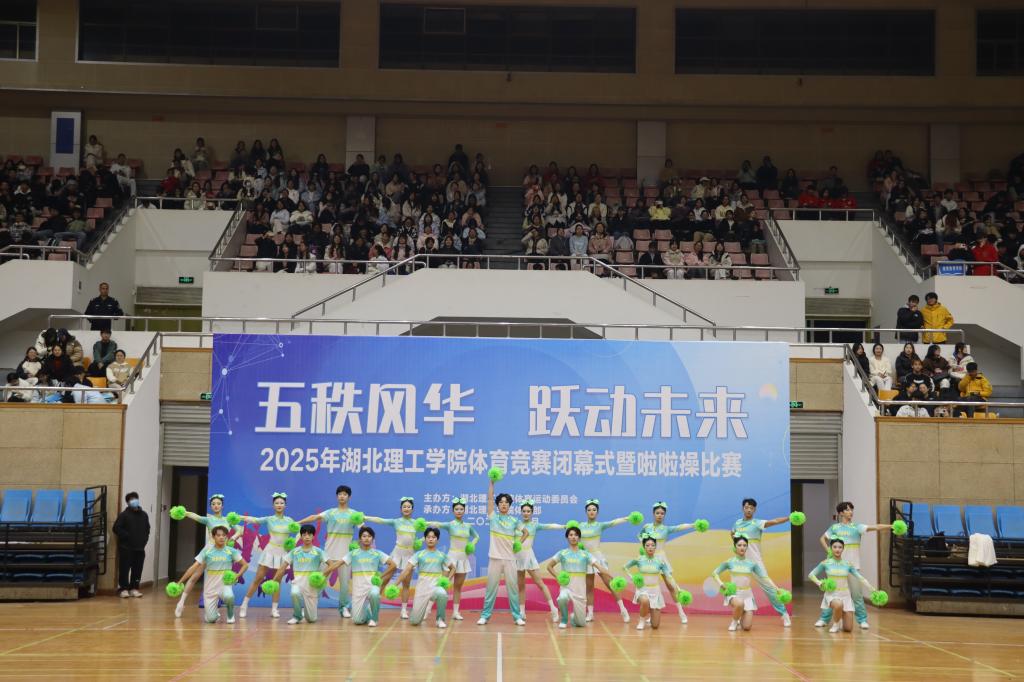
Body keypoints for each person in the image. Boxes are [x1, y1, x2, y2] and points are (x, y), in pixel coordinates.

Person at [815, 502, 894, 630]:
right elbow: (822, 538)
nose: (850, 512)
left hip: (852, 567)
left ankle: (862, 620)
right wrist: (829, 551)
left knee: (857, 595)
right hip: (835, 567)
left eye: (851, 509)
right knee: (831, 594)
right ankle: (824, 619)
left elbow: (875, 527)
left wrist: (891, 526)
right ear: (841, 513)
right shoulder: (834, 528)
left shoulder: (857, 527)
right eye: (847, 510)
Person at [295, 485, 361, 618]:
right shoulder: (330, 513)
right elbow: (314, 517)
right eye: (340, 494)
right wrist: (299, 522)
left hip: (345, 556)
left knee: (344, 584)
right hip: (328, 554)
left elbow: (364, 529)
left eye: (345, 494)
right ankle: (309, 606)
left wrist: (358, 545)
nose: (342, 496)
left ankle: (344, 608)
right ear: (337, 496)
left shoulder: (354, 514)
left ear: (349, 497)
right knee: (319, 581)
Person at [173, 494, 243, 618]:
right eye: (213, 504)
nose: (216, 506)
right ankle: (181, 602)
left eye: (218, 504)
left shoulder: (228, 520)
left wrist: (233, 538)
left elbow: (240, 530)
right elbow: (195, 516)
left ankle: (215, 608)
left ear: (222, 506)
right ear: (211, 506)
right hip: (209, 551)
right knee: (195, 576)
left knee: (219, 580)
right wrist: (184, 512)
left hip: (223, 552)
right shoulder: (208, 519)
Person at [731, 498, 792, 627]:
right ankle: (737, 619)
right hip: (741, 563)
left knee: (770, 588)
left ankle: (784, 614)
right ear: (742, 508)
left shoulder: (757, 523)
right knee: (739, 590)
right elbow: (732, 534)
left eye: (751, 508)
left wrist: (788, 518)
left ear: (754, 510)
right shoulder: (737, 523)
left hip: (755, 562)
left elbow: (774, 521)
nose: (749, 510)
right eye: (746, 507)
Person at [173, 526, 249, 624]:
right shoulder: (207, 551)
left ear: (226, 537)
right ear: (213, 537)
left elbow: (245, 565)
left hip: (224, 585)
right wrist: (180, 582)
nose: (221, 537)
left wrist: (237, 575)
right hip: (210, 588)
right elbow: (193, 567)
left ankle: (230, 615)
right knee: (211, 620)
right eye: (218, 535)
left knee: (229, 596)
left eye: (224, 535)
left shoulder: (231, 551)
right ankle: (213, 614)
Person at [238, 493, 296, 618]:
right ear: (273, 505)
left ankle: (274, 609)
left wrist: (292, 543)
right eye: (277, 503)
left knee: (277, 582)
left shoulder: (290, 521)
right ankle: (244, 605)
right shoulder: (269, 519)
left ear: (285, 505)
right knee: (258, 579)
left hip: (283, 554)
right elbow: (254, 520)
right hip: (269, 552)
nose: (279, 505)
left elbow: (298, 531)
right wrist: (239, 517)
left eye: (281, 503)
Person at [478, 475, 526, 626]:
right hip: (495, 558)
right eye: (501, 502)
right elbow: (489, 499)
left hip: (510, 559)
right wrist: (492, 483)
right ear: (498, 505)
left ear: (509, 505)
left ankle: (517, 617)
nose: (503, 504)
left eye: (506, 502)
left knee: (513, 589)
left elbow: (526, 533)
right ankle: (485, 616)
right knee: (491, 589)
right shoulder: (493, 517)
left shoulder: (514, 521)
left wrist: (518, 543)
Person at [545, 526, 615, 629]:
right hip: (566, 587)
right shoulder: (562, 553)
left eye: (576, 535)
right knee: (562, 598)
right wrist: (557, 577)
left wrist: (612, 577)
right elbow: (549, 566)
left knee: (581, 624)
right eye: (571, 535)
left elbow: (599, 567)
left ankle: (575, 617)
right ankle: (564, 619)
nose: (573, 537)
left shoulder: (586, 555)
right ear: (567, 537)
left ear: (579, 538)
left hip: (580, 590)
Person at [712, 535, 785, 632]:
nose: (742, 547)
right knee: (739, 603)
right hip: (734, 594)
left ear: (747, 547)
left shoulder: (752, 564)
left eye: (744, 545)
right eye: (739, 545)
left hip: (747, 595)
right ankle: (734, 622)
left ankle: (740, 614)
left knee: (747, 627)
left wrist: (776, 588)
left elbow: (765, 577)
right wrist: (721, 584)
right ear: (735, 547)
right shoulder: (729, 562)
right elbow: (714, 573)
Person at [271, 524, 340, 625]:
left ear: (313, 536)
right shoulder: (295, 552)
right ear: (301, 536)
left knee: (311, 619)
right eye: (304, 535)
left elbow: (332, 565)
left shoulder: (318, 552)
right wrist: (273, 582)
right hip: (297, 583)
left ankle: (307, 613)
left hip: (312, 586)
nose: (307, 537)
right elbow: (282, 567)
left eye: (309, 534)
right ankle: (297, 616)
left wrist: (322, 575)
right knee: (294, 593)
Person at [638, 502, 695, 623]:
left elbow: (679, 527)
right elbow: (639, 536)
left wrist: (693, 525)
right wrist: (644, 548)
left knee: (671, 586)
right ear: (653, 514)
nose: (660, 515)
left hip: (661, 559)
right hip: (649, 560)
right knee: (649, 586)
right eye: (657, 513)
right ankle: (650, 614)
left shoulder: (666, 529)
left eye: (662, 513)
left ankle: (681, 613)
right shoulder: (647, 527)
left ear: (664, 515)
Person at [808, 538, 879, 633]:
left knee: (848, 628)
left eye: (840, 547)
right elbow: (811, 575)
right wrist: (820, 583)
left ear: (843, 549)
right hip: (832, 594)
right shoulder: (825, 563)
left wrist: (872, 589)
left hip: (845, 595)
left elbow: (860, 578)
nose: (837, 549)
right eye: (835, 547)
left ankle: (839, 616)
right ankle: (836, 624)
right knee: (838, 604)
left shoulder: (847, 564)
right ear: (831, 548)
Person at [365, 498, 421, 619]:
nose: (406, 508)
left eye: (409, 507)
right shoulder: (396, 522)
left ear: (412, 509)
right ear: (401, 509)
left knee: (406, 583)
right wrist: (365, 517)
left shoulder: (416, 523)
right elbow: (380, 520)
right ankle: (372, 604)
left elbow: (431, 525)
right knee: (385, 579)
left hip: (409, 554)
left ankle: (404, 610)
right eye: (404, 507)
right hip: (397, 553)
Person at [577, 500, 632, 622]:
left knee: (611, 584)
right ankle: (590, 613)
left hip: (597, 557)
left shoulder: (600, 525)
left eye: (594, 510)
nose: (591, 512)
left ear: (597, 512)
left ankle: (623, 610)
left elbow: (613, 522)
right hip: (586, 559)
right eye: (589, 510)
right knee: (589, 587)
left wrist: (628, 518)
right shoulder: (580, 526)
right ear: (586, 512)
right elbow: (571, 533)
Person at [390, 527, 455, 628]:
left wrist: (447, 580)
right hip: (422, 588)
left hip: (435, 587)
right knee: (415, 621)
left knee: (442, 593)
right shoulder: (419, 554)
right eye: (428, 537)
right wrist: (395, 585)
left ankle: (440, 619)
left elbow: (453, 568)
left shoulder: (442, 555)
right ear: (425, 539)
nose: (430, 539)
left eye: (433, 537)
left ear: (437, 540)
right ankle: (420, 613)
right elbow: (407, 570)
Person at [515, 499, 561, 621]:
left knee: (540, 584)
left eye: (528, 511)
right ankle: (522, 612)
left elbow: (550, 526)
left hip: (528, 556)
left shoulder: (534, 525)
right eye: (524, 511)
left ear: (532, 512)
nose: (526, 513)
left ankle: (553, 609)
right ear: (521, 512)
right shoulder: (516, 524)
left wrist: (564, 526)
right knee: (521, 585)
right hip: (517, 557)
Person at [342, 526, 397, 627]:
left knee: (375, 593)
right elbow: (339, 563)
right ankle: (368, 611)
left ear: (372, 539)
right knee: (357, 621)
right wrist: (325, 572)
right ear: (360, 539)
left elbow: (393, 565)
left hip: (372, 585)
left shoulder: (377, 553)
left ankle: (374, 619)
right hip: (358, 588)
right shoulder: (353, 554)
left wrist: (381, 576)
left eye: (369, 536)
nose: (367, 538)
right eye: (364, 536)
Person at [437, 497, 480, 621]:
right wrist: (426, 524)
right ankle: (429, 609)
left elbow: (477, 536)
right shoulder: (450, 524)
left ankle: (455, 612)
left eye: (461, 509)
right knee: (442, 585)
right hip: (451, 558)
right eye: (456, 509)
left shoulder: (468, 526)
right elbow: (437, 524)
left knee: (458, 587)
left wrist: (472, 544)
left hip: (463, 558)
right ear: (453, 510)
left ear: (464, 511)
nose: (459, 511)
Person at [112, 491, 150, 598]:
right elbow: (116, 528)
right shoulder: (124, 515)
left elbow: (147, 529)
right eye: (131, 500)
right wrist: (127, 536)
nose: (134, 501)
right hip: (126, 548)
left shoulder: (144, 515)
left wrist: (144, 540)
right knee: (124, 569)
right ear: (128, 502)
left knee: (137, 570)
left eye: (135, 499)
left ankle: (134, 588)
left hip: (140, 548)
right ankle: (123, 589)